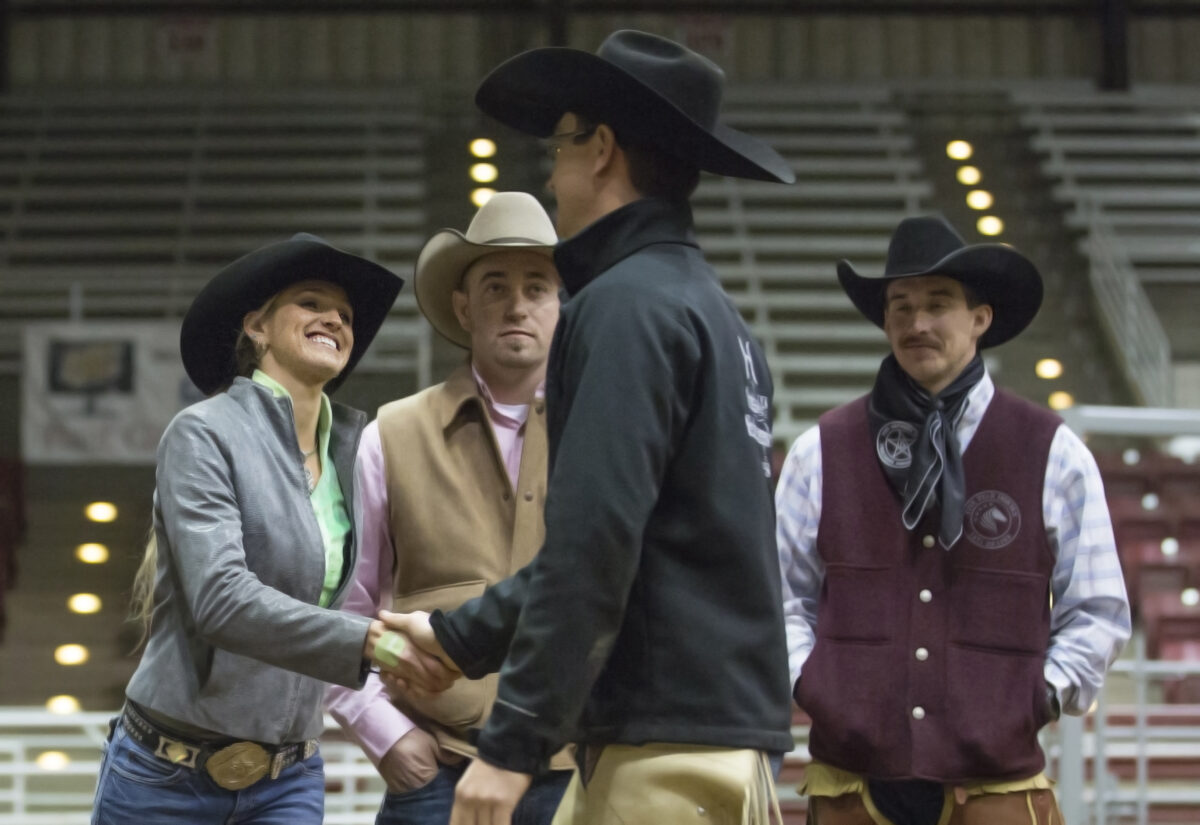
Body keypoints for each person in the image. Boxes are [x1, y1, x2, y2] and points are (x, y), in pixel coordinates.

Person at [381, 29, 798, 825]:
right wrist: (458, 635)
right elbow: (638, 544)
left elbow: (593, 545)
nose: (551, 170)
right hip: (709, 736)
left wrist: (511, 744)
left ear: (601, 149)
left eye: (561, 143)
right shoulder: (714, 314)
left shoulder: (623, 306)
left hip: (659, 745)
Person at [775, 215, 1132, 825]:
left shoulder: (1053, 452)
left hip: (997, 785)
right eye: (901, 306)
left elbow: (1098, 610)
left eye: (938, 304)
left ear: (980, 318)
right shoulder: (820, 451)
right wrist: (812, 684)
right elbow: (780, 598)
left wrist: (1038, 697)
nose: (916, 323)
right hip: (851, 785)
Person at [90, 233, 437, 825]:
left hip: (289, 776)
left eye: (345, 315)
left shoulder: (358, 452)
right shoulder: (203, 432)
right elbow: (222, 600)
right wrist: (375, 645)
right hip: (165, 777)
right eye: (311, 302)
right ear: (257, 327)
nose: (334, 319)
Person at [325, 191, 573, 825]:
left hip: (580, 770)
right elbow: (348, 610)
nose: (517, 305)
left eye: (537, 286)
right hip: (438, 768)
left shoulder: (609, 432)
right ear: (464, 307)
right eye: (495, 286)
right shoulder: (391, 434)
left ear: (563, 304)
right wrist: (386, 735)